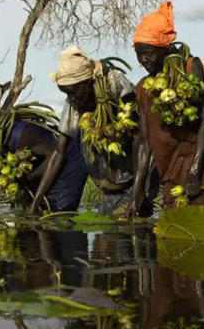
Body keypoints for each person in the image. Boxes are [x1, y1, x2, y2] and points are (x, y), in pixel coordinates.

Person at [30, 46, 155, 216]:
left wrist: (138, 192)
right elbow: (59, 151)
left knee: (131, 231)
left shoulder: (114, 83)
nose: (72, 98)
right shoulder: (75, 102)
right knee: (106, 235)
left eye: (73, 92)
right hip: (109, 188)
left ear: (87, 82)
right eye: (67, 94)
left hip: (136, 181)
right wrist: (36, 202)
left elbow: (141, 140)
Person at [130, 1, 204, 211]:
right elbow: (144, 143)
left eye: (149, 53)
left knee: (203, 224)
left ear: (164, 49)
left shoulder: (191, 67)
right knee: (173, 228)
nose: (144, 60)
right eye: (139, 54)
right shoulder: (143, 89)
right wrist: (138, 191)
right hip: (170, 172)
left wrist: (194, 170)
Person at [0, 120, 88, 213]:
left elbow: (56, 155)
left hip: (69, 155)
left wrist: (35, 200)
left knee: (59, 211)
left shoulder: (19, 135)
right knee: (32, 214)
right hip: (43, 165)